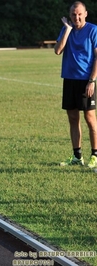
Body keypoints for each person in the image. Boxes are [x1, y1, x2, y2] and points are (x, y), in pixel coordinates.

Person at [54, 1, 97, 168]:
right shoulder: (67, 29)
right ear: (70, 15)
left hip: (86, 81)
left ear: (85, 14)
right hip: (69, 79)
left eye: (79, 14)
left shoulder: (93, 30)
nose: (76, 17)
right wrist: (67, 29)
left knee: (90, 118)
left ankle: (95, 154)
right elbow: (58, 50)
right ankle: (77, 155)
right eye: (73, 14)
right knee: (73, 118)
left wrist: (92, 81)